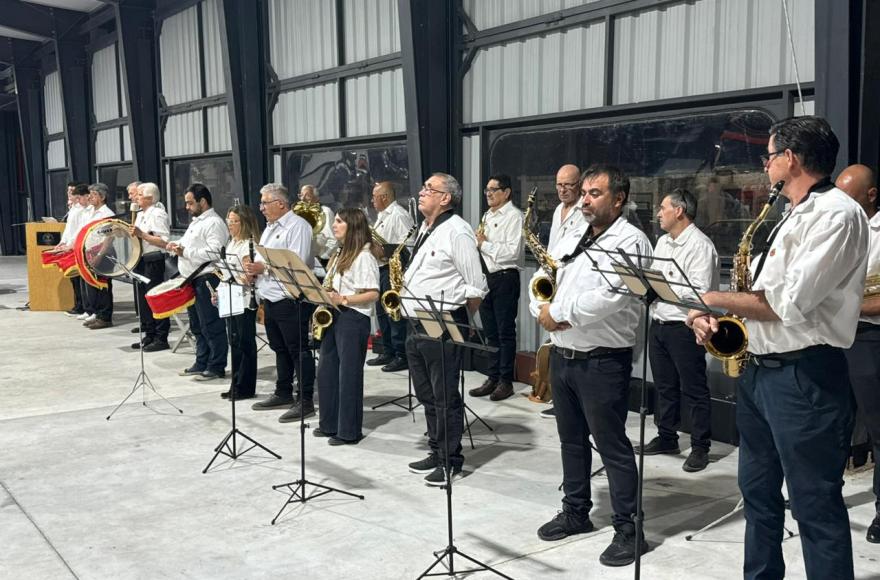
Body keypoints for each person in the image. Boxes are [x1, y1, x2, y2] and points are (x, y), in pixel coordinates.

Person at [687, 116, 868, 579]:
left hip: (804, 378)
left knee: (814, 506)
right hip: (761, 373)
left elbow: (789, 303)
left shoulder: (837, 215)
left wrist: (711, 297)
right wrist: (716, 318)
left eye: (768, 156)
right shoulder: (791, 212)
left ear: (790, 158)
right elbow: (760, 299)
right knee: (758, 495)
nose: (764, 166)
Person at [530, 164, 652, 566]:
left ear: (618, 198)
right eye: (583, 192)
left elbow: (612, 297)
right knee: (571, 442)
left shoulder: (631, 241)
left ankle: (629, 529)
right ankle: (576, 511)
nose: (584, 199)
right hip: (564, 356)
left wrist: (559, 312)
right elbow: (546, 276)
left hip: (602, 361)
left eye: (594, 193)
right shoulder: (573, 233)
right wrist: (541, 308)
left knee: (612, 446)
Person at [403, 173, 488, 486]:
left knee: (444, 396)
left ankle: (451, 461)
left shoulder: (458, 231)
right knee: (426, 394)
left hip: (441, 320)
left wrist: (458, 320)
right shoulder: (426, 227)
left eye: (429, 189)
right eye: (423, 187)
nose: (422, 192)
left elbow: (477, 286)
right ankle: (436, 450)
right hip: (415, 320)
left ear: (446, 198)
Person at [637, 189, 719, 472]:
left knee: (693, 388)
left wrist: (663, 289)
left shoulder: (700, 245)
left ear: (680, 211)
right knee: (664, 385)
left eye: (663, 208)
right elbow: (656, 278)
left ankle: (700, 447)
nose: (658, 213)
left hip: (685, 326)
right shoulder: (662, 242)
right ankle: (667, 436)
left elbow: (699, 293)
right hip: (659, 322)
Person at [245, 183, 316, 422]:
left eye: (265, 202)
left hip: (290, 297)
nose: (261, 207)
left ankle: (305, 400)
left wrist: (262, 267)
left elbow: (298, 262)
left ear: (281, 203)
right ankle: (283, 391)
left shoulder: (299, 226)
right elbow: (263, 258)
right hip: (270, 297)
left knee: (298, 350)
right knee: (279, 348)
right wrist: (254, 270)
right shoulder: (269, 228)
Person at [836, 163, 880, 544]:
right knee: (832, 422)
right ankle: (824, 493)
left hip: (868, 339)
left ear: (871, 195)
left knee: (878, 427)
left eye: (849, 197)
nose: (841, 204)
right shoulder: (837, 228)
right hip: (833, 337)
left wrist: (844, 305)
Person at [315, 208, 380, 445]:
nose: (334, 225)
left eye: (339, 222)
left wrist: (343, 299)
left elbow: (373, 293)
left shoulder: (364, 257)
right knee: (327, 371)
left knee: (349, 375)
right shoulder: (340, 253)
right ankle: (329, 423)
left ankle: (349, 431)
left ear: (352, 226)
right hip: (335, 315)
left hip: (353, 317)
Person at [468, 174, 523, 401]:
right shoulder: (487, 215)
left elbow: (512, 252)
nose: (489, 194)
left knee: (505, 332)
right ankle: (492, 378)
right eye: (486, 190)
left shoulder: (515, 216)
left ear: (506, 192)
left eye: (493, 189)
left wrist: (484, 244)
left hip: (505, 278)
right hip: (487, 279)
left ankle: (505, 381)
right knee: (490, 333)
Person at [167, 183, 229, 381]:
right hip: (192, 279)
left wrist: (185, 251)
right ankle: (201, 361)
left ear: (203, 201)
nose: (187, 207)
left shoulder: (214, 223)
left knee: (211, 324)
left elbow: (215, 251)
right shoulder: (196, 222)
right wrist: (176, 246)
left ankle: (216, 365)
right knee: (197, 325)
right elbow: (188, 245)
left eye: (190, 203)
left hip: (207, 278)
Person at [540, 163, 586, 419]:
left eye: (568, 184)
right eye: (559, 184)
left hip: (573, 280)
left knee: (572, 336)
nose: (563, 189)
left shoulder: (585, 211)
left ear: (579, 185)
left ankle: (575, 401)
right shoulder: (558, 210)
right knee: (556, 341)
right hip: (554, 277)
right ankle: (561, 398)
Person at [367, 181, 414, 372]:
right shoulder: (381, 216)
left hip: (392, 269)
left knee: (394, 313)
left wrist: (386, 252)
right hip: (379, 268)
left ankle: (401, 354)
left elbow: (409, 245)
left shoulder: (399, 215)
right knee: (381, 313)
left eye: (374, 197)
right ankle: (388, 350)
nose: (372, 200)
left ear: (384, 197)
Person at [217, 205, 262, 400]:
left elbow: (247, 277)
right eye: (229, 221)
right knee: (233, 341)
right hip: (230, 294)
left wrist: (238, 276)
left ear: (244, 223)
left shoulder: (246, 244)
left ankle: (245, 386)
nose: (230, 225)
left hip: (243, 298)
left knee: (245, 342)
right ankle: (235, 383)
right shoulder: (232, 242)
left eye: (234, 221)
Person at [129, 182, 171, 352]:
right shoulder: (140, 214)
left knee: (154, 296)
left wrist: (142, 234)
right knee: (143, 299)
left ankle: (161, 336)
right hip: (141, 258)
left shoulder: (158, 214)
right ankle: (149, 333)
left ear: (150, 197)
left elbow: (163, 241)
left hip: (154, 259)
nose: (136, 197)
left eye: (139, 194)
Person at [82, 183, 117, 330]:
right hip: (89, 251)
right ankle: (97, 313)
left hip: (103, 253)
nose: (90, 196)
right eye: (89, 193)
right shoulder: (90, 211)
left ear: (102, 197)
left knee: (103, 286)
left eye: (94, 194)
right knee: (92, 286)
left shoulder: (107, 214)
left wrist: (100, 255)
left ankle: (105, 317)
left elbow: (109, 238)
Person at [58, 182, 89, 317]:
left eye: (73, 191)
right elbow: (68, 229)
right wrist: (62, 242)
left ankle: (83, 306)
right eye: (69, 191)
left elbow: (78, 230)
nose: (70, 193)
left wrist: (69, 244)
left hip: (76, 245)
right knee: (74, 278)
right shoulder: (73, 208)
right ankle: (79, 304)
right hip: (70, 245)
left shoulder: (82, 209)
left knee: (79, 278)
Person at [299, 184, 336, 267]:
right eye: (301, 195)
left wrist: (323, 258)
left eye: (307, 195)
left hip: (322, 262)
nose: (303, 198)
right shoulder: (299, 214)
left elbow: (333, 240)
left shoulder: (325, 212)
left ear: (316, 198)